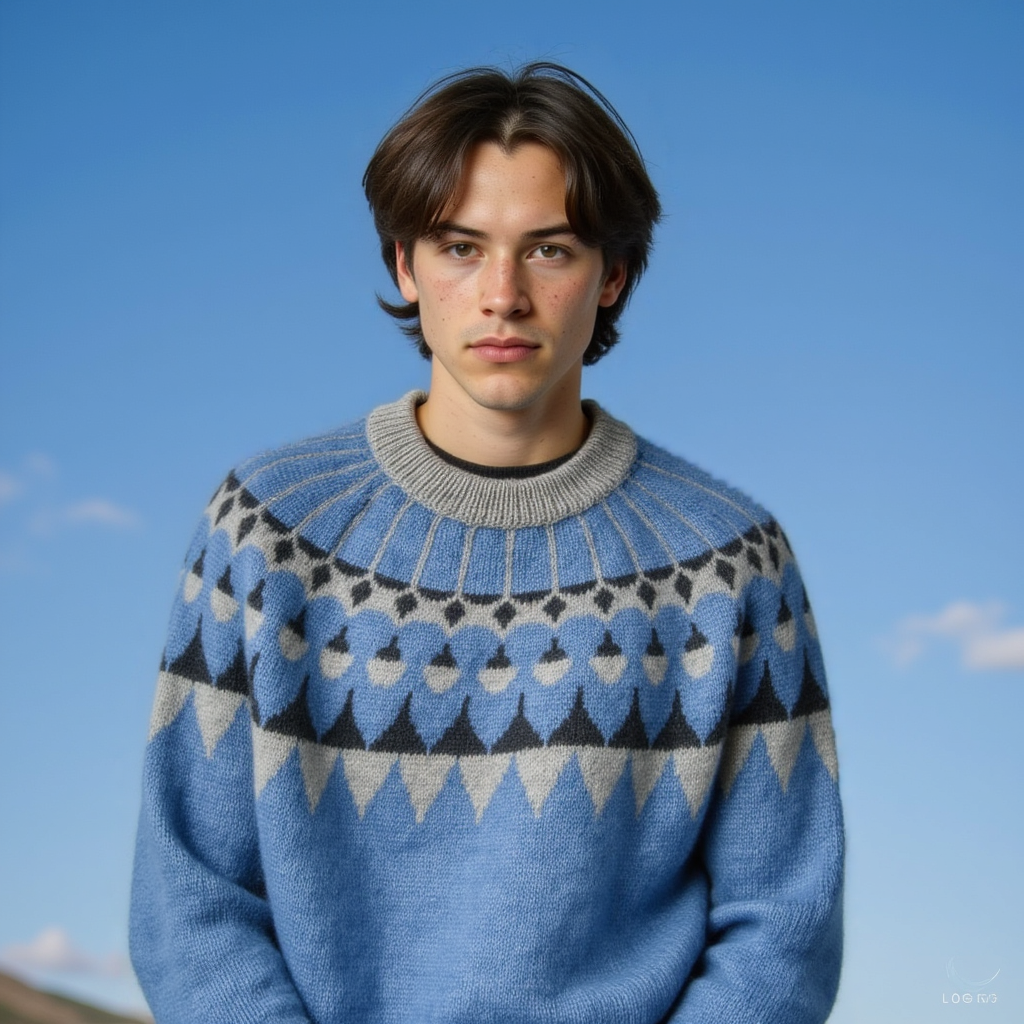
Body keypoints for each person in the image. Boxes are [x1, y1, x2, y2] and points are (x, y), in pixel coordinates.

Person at [130, 62, 844, 1023]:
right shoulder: (263, 531)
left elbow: (782, 928)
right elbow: (191, 901)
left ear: (614, 274)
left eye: (548, 251)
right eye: (461, 247)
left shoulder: (730, 568)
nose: (501, 294)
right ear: (403, 266)